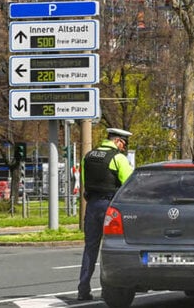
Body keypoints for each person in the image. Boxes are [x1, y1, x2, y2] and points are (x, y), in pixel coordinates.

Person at [76, 127, 135, 302]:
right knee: (112, 248)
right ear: (117, 141)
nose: (123, 148)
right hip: (111, 207)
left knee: (90, 248)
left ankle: (83, 289)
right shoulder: (118, 158)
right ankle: (108, 290)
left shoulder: (88, 156)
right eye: (123, 144)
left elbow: (85, 183)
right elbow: (129, 184)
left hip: (92, 205)